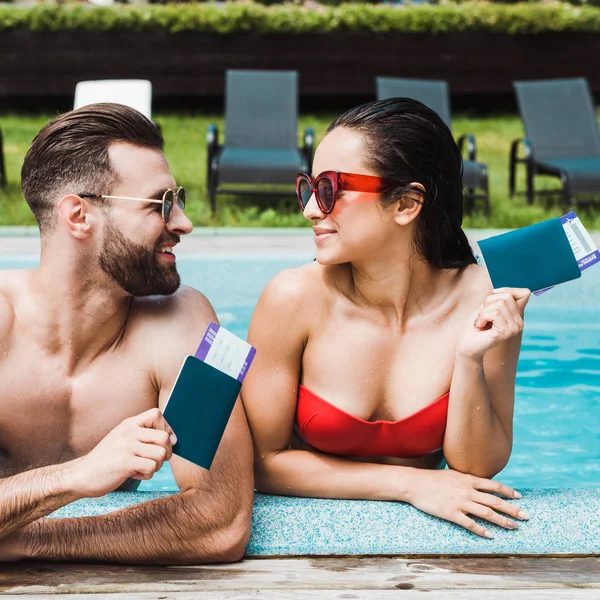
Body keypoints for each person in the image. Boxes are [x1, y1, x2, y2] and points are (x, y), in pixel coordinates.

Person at [242, 98, 531, 539]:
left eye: (332, 189)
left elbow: (476, 467)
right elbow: (263, 464)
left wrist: (469, 360)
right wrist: (410, 484)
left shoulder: (487, 298)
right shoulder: (293, 298)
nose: (311, 210)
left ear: (406, 205)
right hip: (308, 541)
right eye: (310, 187)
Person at [0, 103, 254, 564]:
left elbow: (223, 521)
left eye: (178, 199)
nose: (183, 223)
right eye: (160, 204)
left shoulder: (191, 322)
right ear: (78, 215)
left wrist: (29, 541)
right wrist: (76, 476)